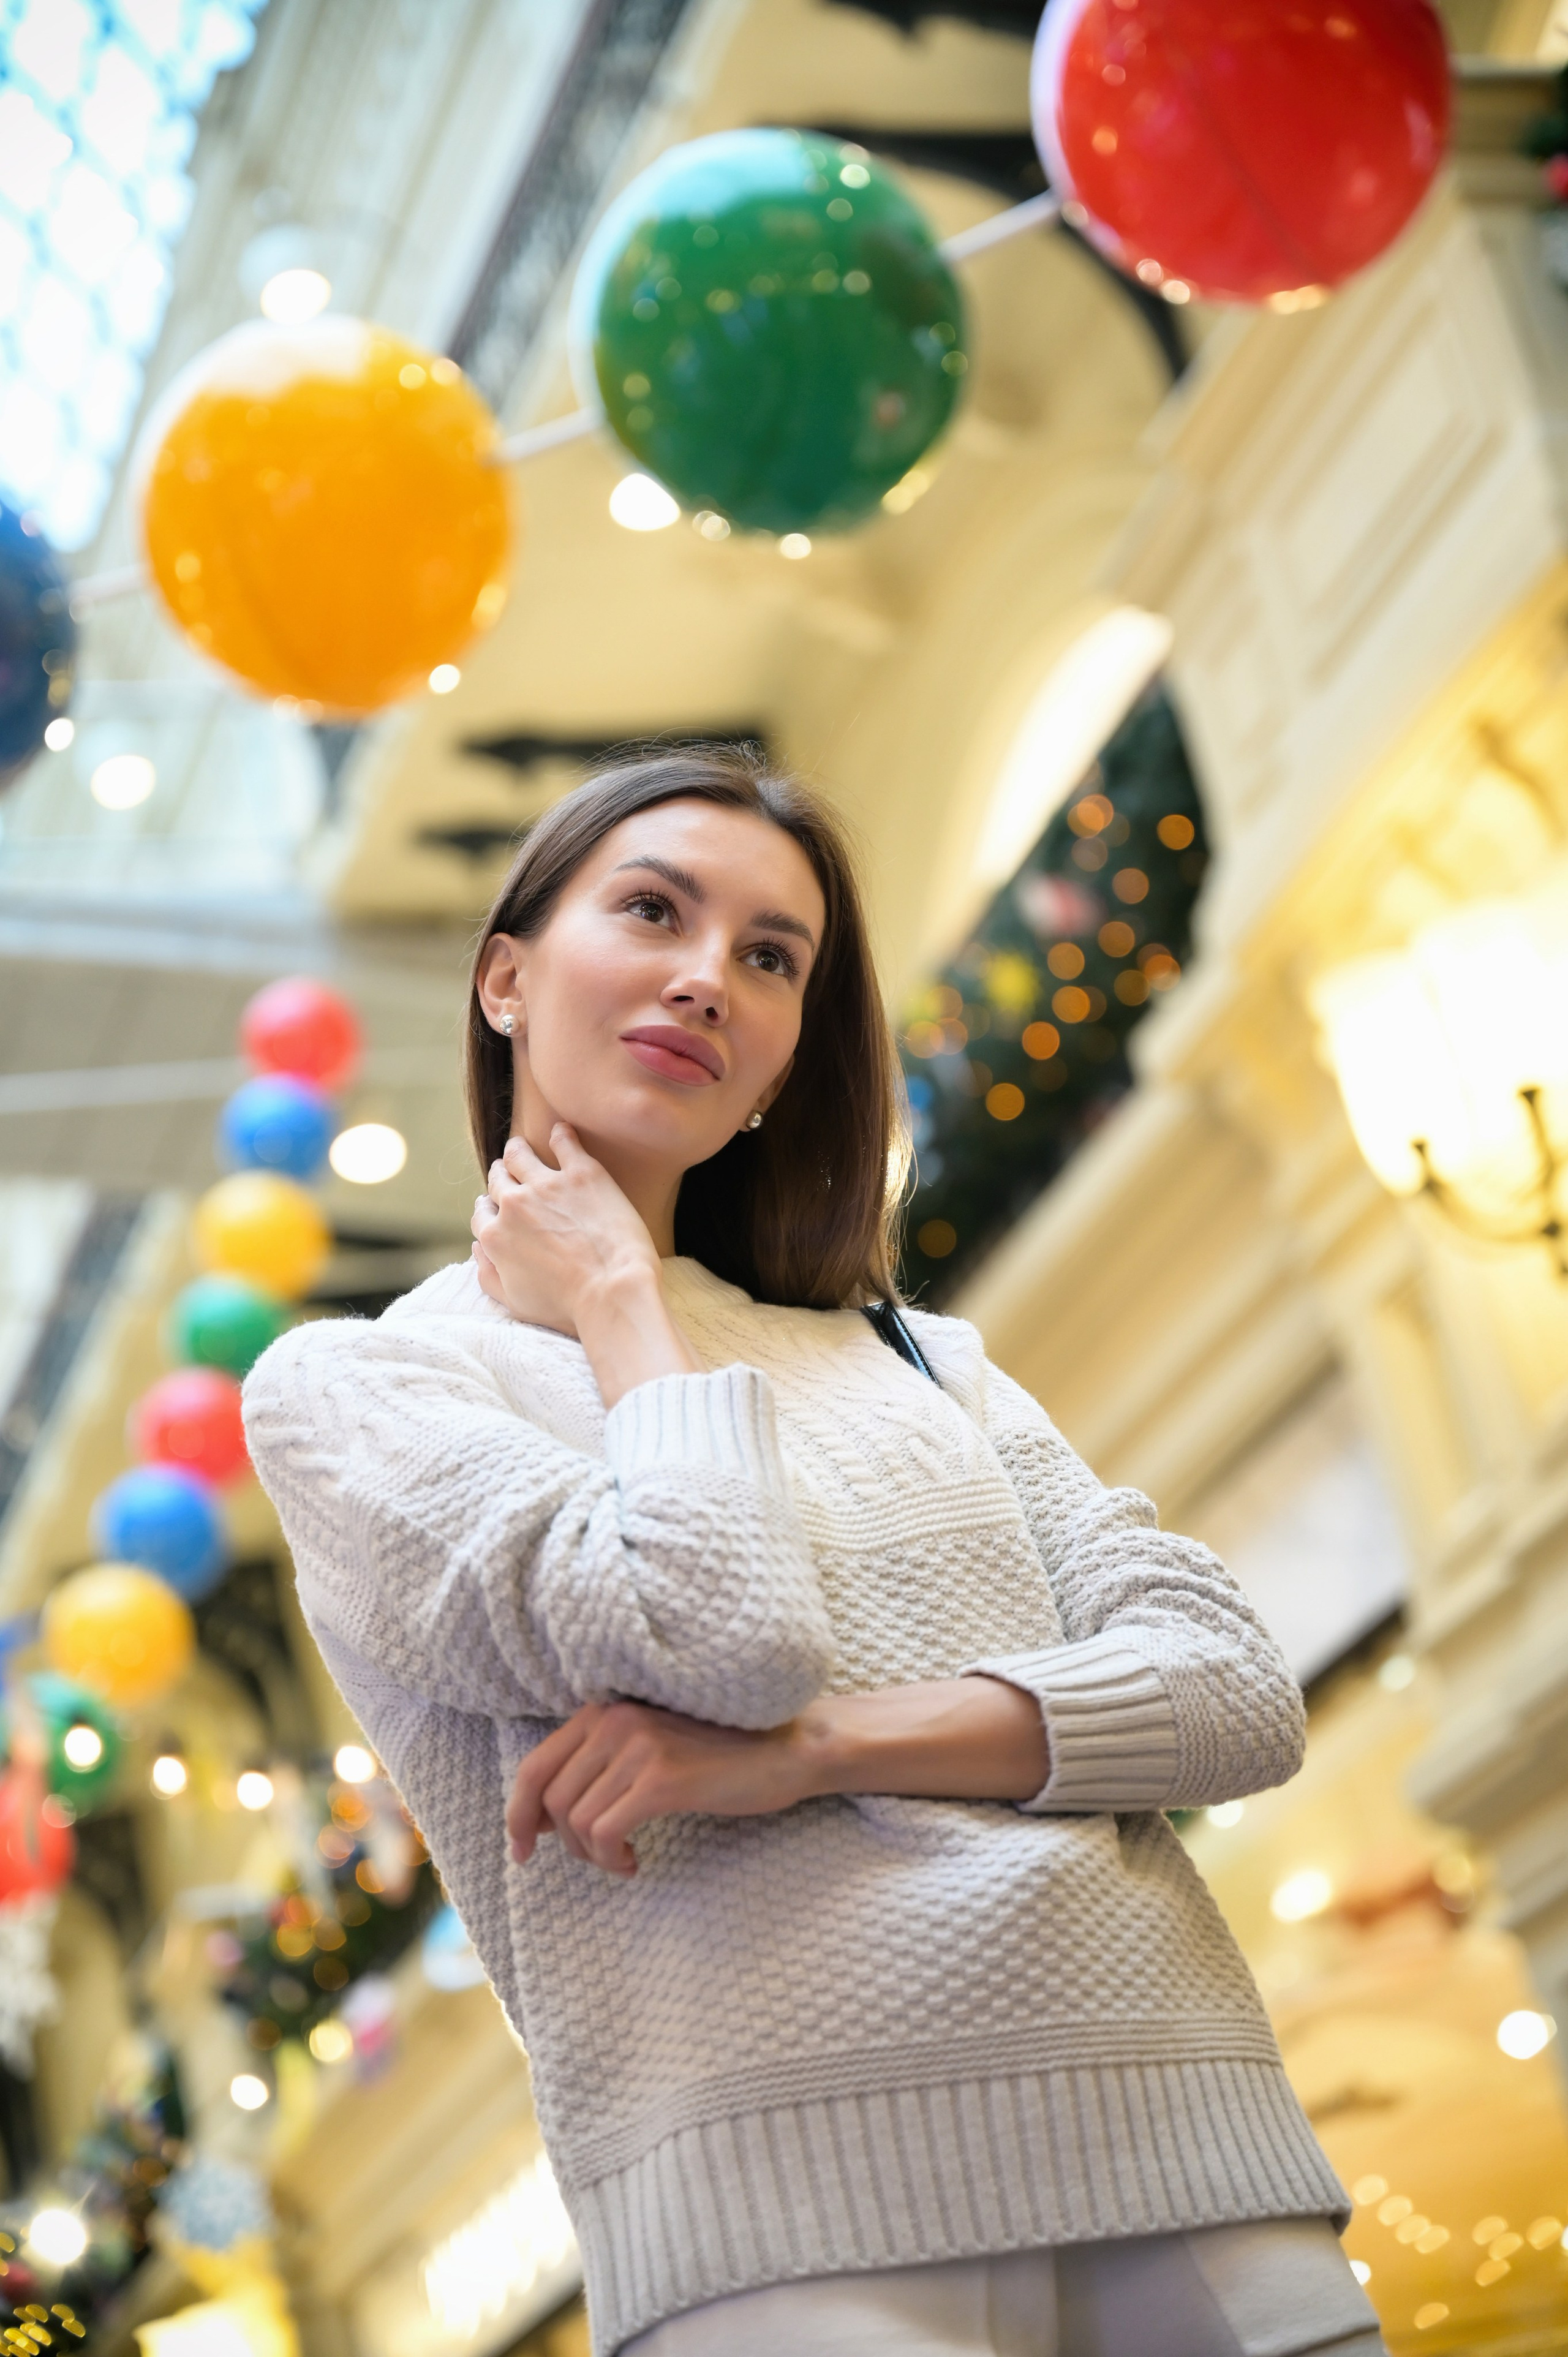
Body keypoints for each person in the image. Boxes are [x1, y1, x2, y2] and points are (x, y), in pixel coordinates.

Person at [243, 746, 1384, 2357]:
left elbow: (1232, 1692)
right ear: (508, 976)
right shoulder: (358, 1393)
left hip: (1185, 2135)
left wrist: (808, 1756)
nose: (708, 977)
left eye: (770, 958)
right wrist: (617, 1299)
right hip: (776, 2221)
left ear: (785, 1054)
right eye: (653, 911)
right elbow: (721, 1633)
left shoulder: (923, 1361)